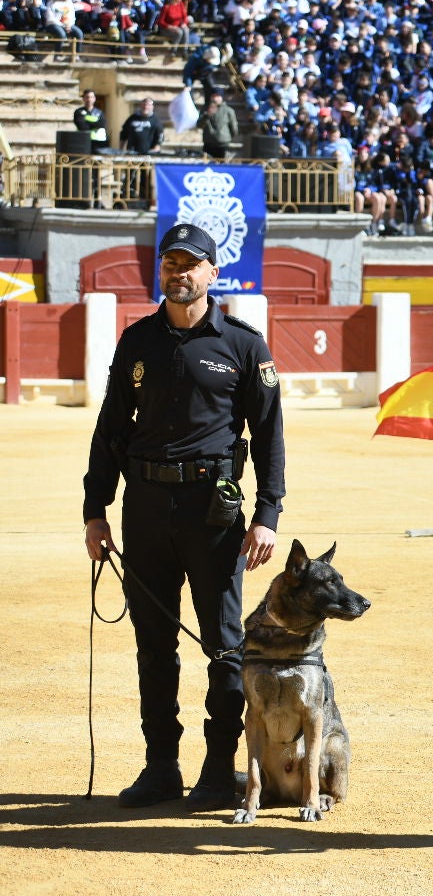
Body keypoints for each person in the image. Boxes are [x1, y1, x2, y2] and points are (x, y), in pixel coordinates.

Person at [82, 223, 285, 811]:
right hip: (144, 508)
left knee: (222, 644)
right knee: (153, 644)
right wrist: (96, 510)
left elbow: (270, 437)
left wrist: (267, 514)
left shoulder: (244, 346)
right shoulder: (137, 340)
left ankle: (219, 768)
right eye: (171, 263)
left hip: (212, 512)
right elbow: (111, 430)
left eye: (191, 264)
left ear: (212, 273)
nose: (180, 273)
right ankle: (160, 767)